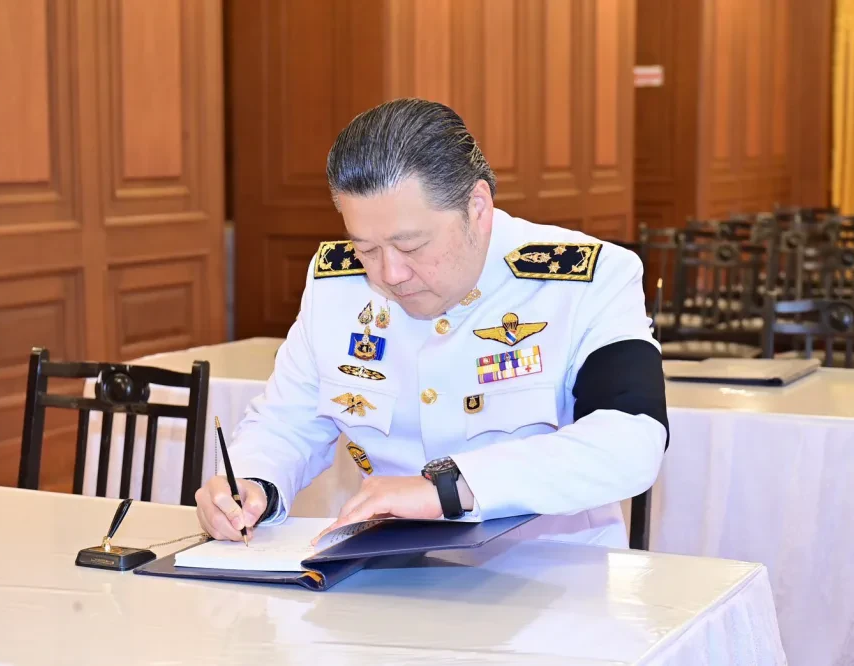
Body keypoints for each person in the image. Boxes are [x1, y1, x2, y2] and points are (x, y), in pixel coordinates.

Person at [195, 98, 668, 548]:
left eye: (411, 246)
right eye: (366, 249)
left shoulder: (586, 278)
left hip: (552, 580)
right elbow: (286, 423)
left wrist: (451, 488)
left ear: (477, 208)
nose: (389, 274)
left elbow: (631, 437)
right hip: (388, 575)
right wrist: (252, 483)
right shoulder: (335, 285)